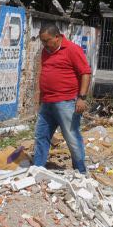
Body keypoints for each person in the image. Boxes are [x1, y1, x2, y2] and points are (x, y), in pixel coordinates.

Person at [32, 24, 91, 174]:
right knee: (41, 135)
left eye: (47, 41)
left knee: (71, 137)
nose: (44, 45)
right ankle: (38, 168)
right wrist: (40, 98)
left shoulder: (72, 49)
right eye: (42, 41)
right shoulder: (46, 51)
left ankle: (80, 171)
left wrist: (82, 98)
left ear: (57, 37)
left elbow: (85, 73)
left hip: (67, 102)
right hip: (47, 102)